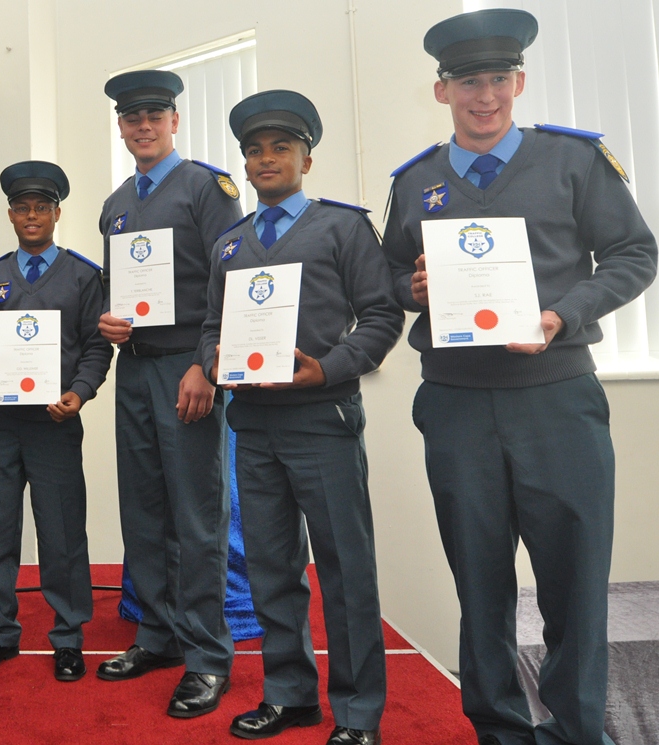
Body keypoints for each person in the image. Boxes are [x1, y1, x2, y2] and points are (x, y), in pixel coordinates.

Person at [381, 9, 658, 745]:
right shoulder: (413, 182)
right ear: (441, 91)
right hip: (455, 403)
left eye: (498, 79)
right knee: (479, 583)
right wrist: (410, 288)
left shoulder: (573, 162)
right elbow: (384, 274)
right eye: (468, 82)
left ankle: (575, 731)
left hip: (556, 399)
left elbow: (635, 254)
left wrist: (560, 316)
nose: (485, 96)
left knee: (572, 585)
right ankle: (498, 729)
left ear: (519, 81)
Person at [202, 90, 403, 745]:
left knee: (345, 569)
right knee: (269, 567)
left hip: (321, 418)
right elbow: (209, 328)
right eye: (254, 150)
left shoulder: (342, 227)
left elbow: (380, 314)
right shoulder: (227, 243)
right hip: (252, 424)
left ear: (304, 158)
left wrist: (328, 367)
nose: (266, 159)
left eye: (279, 148)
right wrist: (215, 364)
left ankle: (355, 713)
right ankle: (289, 696)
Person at [95, 69, 244, 718]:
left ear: (174, 121)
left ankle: (207, 655)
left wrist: (205, 366)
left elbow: (233, 281)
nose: (143, 126)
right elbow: (120, 291)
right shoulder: (116, 202)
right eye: (132, 119)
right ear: (121, 127)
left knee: (196, 514)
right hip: (134, 366)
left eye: (154, 115)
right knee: (145, 509)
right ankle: (156, 635)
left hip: (187, 366)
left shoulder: (205, 189)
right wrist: (109, 319)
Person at [0, 161, 112, 681]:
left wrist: (79, 392)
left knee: (63, 531)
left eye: (41, 208)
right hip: (0, 423)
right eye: (22, 208)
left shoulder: (83, 275)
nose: (32, 215)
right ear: (9, 214)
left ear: (56, 213)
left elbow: (97, 347)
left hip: (55, 423)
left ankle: (68, 637)